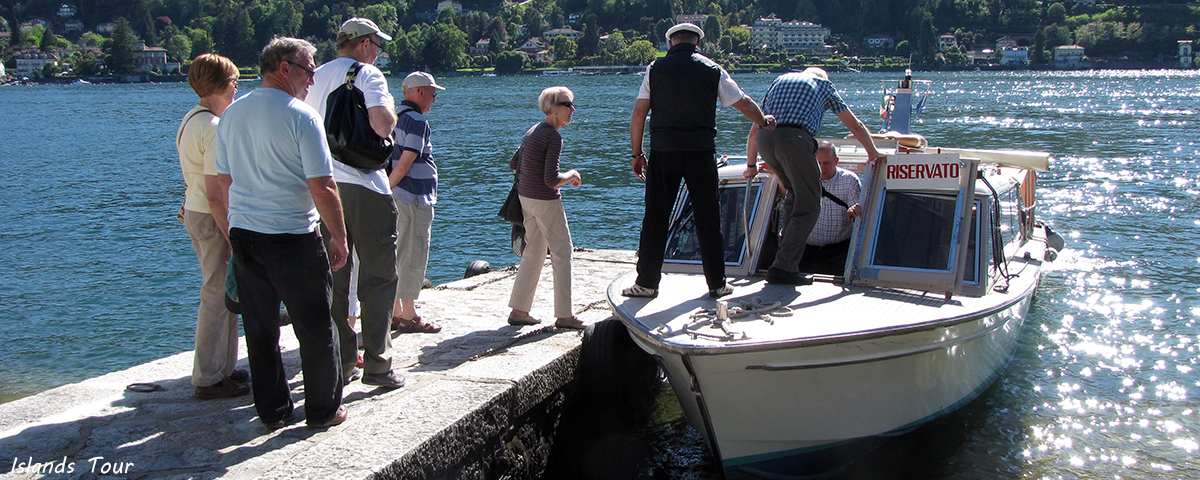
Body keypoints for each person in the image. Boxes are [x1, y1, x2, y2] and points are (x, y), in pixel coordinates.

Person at [215, 37, 349, 429]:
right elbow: (323, 185)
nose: (312, 79)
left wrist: (231, 231)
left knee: (259, 330)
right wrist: (338, 236)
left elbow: (224, 182)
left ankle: (273, 411)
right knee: (315, 325)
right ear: (284, 67)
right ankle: (324, 409)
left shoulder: (232, 115)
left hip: (245, 234)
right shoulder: (301, 116)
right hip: (291, 235)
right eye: (309, 70)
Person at [623, 22, 776, 299]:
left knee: (656, 218)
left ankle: (646, 283)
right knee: (708, 218)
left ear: (671, 43)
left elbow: (638, 114)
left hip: (664, 151)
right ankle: (717, 284)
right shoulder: (712, 69)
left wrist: (637, 154)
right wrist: (763, 121)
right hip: (700, 151)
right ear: (698, 44)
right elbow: (742, 102)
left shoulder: (655, 69)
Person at [302, 18, 405, 389]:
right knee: (378, 277)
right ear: (364, 45)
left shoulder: (311, 78)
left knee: (334, 277)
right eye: (378, 45)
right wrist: (389, 107)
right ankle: (378, 364)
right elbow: (381, 126)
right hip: (364, 185)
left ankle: (342, 363)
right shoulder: (367, 75)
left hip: (319, 186)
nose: (379, 53)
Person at [744, 67, 882, 285]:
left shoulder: (780, 80)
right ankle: (783, 267)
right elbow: (855, 125)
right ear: (824, 78)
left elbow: (755, 129)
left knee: (793, 196)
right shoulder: (824, 85)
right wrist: (873, 153)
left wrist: (751, 165)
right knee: (810, 205)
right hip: (794, 139)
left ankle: (783, 261)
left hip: (765, 141)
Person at [176, 53, 248, 400]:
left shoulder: (192, 119)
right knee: (217, 294)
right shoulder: (214, 128)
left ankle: (224, 368)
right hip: (211, 215)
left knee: (226, 292)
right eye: (234, 83)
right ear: (221, 84)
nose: (236, 89)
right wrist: (232, 234)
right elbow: (216, 193)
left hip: (195, 211)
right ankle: (207, 376)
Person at [507, 87, 585, 330]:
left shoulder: (533, 131)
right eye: (566, 104)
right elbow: (552, 180)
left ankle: (519, 310)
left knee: (534, 252)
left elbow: (513, 164)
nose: (572, 109)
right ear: (552, 108)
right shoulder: (552, 136)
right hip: (545, 200)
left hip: (526, 199)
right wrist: (572, 174)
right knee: (563, 253)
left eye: (572, 104)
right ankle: (565, 315)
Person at [388, 71, 444, 334]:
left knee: (398, 252)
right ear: (420, 92)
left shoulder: (392, 116)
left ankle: (396, 311)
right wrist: (388, 187)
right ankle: (409, 315)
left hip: (398, 195)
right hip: (412, 196)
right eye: (432, 94)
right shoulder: (417, 121)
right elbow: (405, 162)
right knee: (414, 251)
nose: (434, 100)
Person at [797, 141, 862, 275]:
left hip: (840, 251)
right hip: (809, 251)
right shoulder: (803, 179)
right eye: (817, 163)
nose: (821, 168)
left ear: (836, 161)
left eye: (826, 163)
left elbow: (858, 215)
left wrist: (854, 211)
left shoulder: (850, 180)